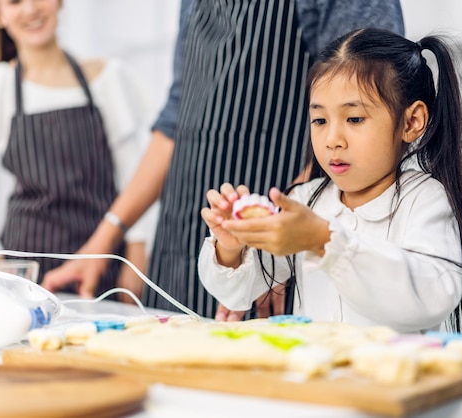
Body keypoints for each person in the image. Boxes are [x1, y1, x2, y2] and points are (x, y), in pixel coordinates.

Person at [42, 0, 405, 319]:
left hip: (273, 252)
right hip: (181, 241)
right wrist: (100, 244)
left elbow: (368, 103)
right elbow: (176, 118)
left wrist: (274, 259)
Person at [198, 27, 462, 337]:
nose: (332, 139)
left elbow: (433, 296)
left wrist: (325, 240)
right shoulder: (307, 200)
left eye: (354, 119)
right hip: (316, 380)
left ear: (412, 122)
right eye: (320, 120)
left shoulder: (424, 199)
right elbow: (240, 291)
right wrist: (231, 248)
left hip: (390, 381)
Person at [0, 0, 157, 302]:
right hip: (24, 275)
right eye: (14, 2)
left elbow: (135, 178)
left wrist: (137, 256)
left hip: (104, 267)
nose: (30, 9)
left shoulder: (106, 79)